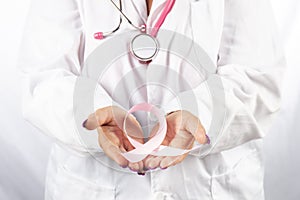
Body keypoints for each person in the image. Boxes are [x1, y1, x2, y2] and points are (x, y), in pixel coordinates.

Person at [18, 0, 285, 199]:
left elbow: (258, 77)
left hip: (209, 186)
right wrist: (93, 113)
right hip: (92, 185)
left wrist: (199, 113)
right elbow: (43, 76)